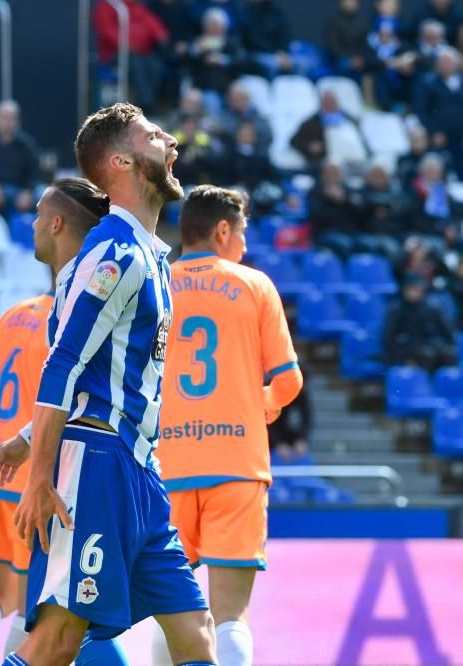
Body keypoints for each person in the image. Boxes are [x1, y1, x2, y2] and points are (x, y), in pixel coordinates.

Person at [0, 103, 215, 666]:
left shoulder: (148, 254)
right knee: (59, 639)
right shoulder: (115, 252)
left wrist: (23, 437)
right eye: (152, 135)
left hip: (139, 469)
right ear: (121, 160)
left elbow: (94, 368)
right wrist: (41, 474)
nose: (170, 140)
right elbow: (62, 364)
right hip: (95, 465)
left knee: (195, 632)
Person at [0, 178, 111, 666]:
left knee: (1, 594)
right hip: (38, 476)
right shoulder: (76, 318)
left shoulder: (14, 315)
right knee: (44, 606)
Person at [153, 185, 304, 666]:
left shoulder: (154, 283)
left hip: (167, 466)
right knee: (230, 617)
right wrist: (261, 403)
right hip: (237, 466)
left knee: (173, 612)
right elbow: (288, 381)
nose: (244, 243)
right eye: (241, 232)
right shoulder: (254, 284)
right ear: (222, 230)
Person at [92, 0, 170, 110]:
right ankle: (146, 105)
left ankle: (145, 101)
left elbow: (150, 21)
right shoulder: (107, 5)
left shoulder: (135, 6)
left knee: (155, 65)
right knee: (137, 66)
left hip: (140, 53)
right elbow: (106, 29)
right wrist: (125, 44)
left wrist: (161, 34)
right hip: (114, 55)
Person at [382, 275, 456, 371]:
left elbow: (447, 330)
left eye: (417, 289)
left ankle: (447, 384)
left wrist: (449, 344)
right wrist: (402, 358)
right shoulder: (396, 309)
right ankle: (423, 384)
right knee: (428, 355)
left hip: (432, 344)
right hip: (408, 347)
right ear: (404, 291)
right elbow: (389, 337)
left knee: (449, 353)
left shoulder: (432, 306)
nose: (414, 293)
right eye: (411, 289)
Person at [289, 89, 367, 170]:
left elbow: (363, 142)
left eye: (332, 102)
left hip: (354, 162)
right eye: (327, 103)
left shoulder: (350, 120)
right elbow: (294, 141)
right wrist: (309, 146)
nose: (330, 106)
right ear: (321, 104)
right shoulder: (312, 123)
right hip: (326, 164)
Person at [414, 47, 463, 174]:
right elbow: (421, 109)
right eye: (442, 62)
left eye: (449, 62)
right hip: (439, 135)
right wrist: (433, 131)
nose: (445, 65)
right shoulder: (428, 82)